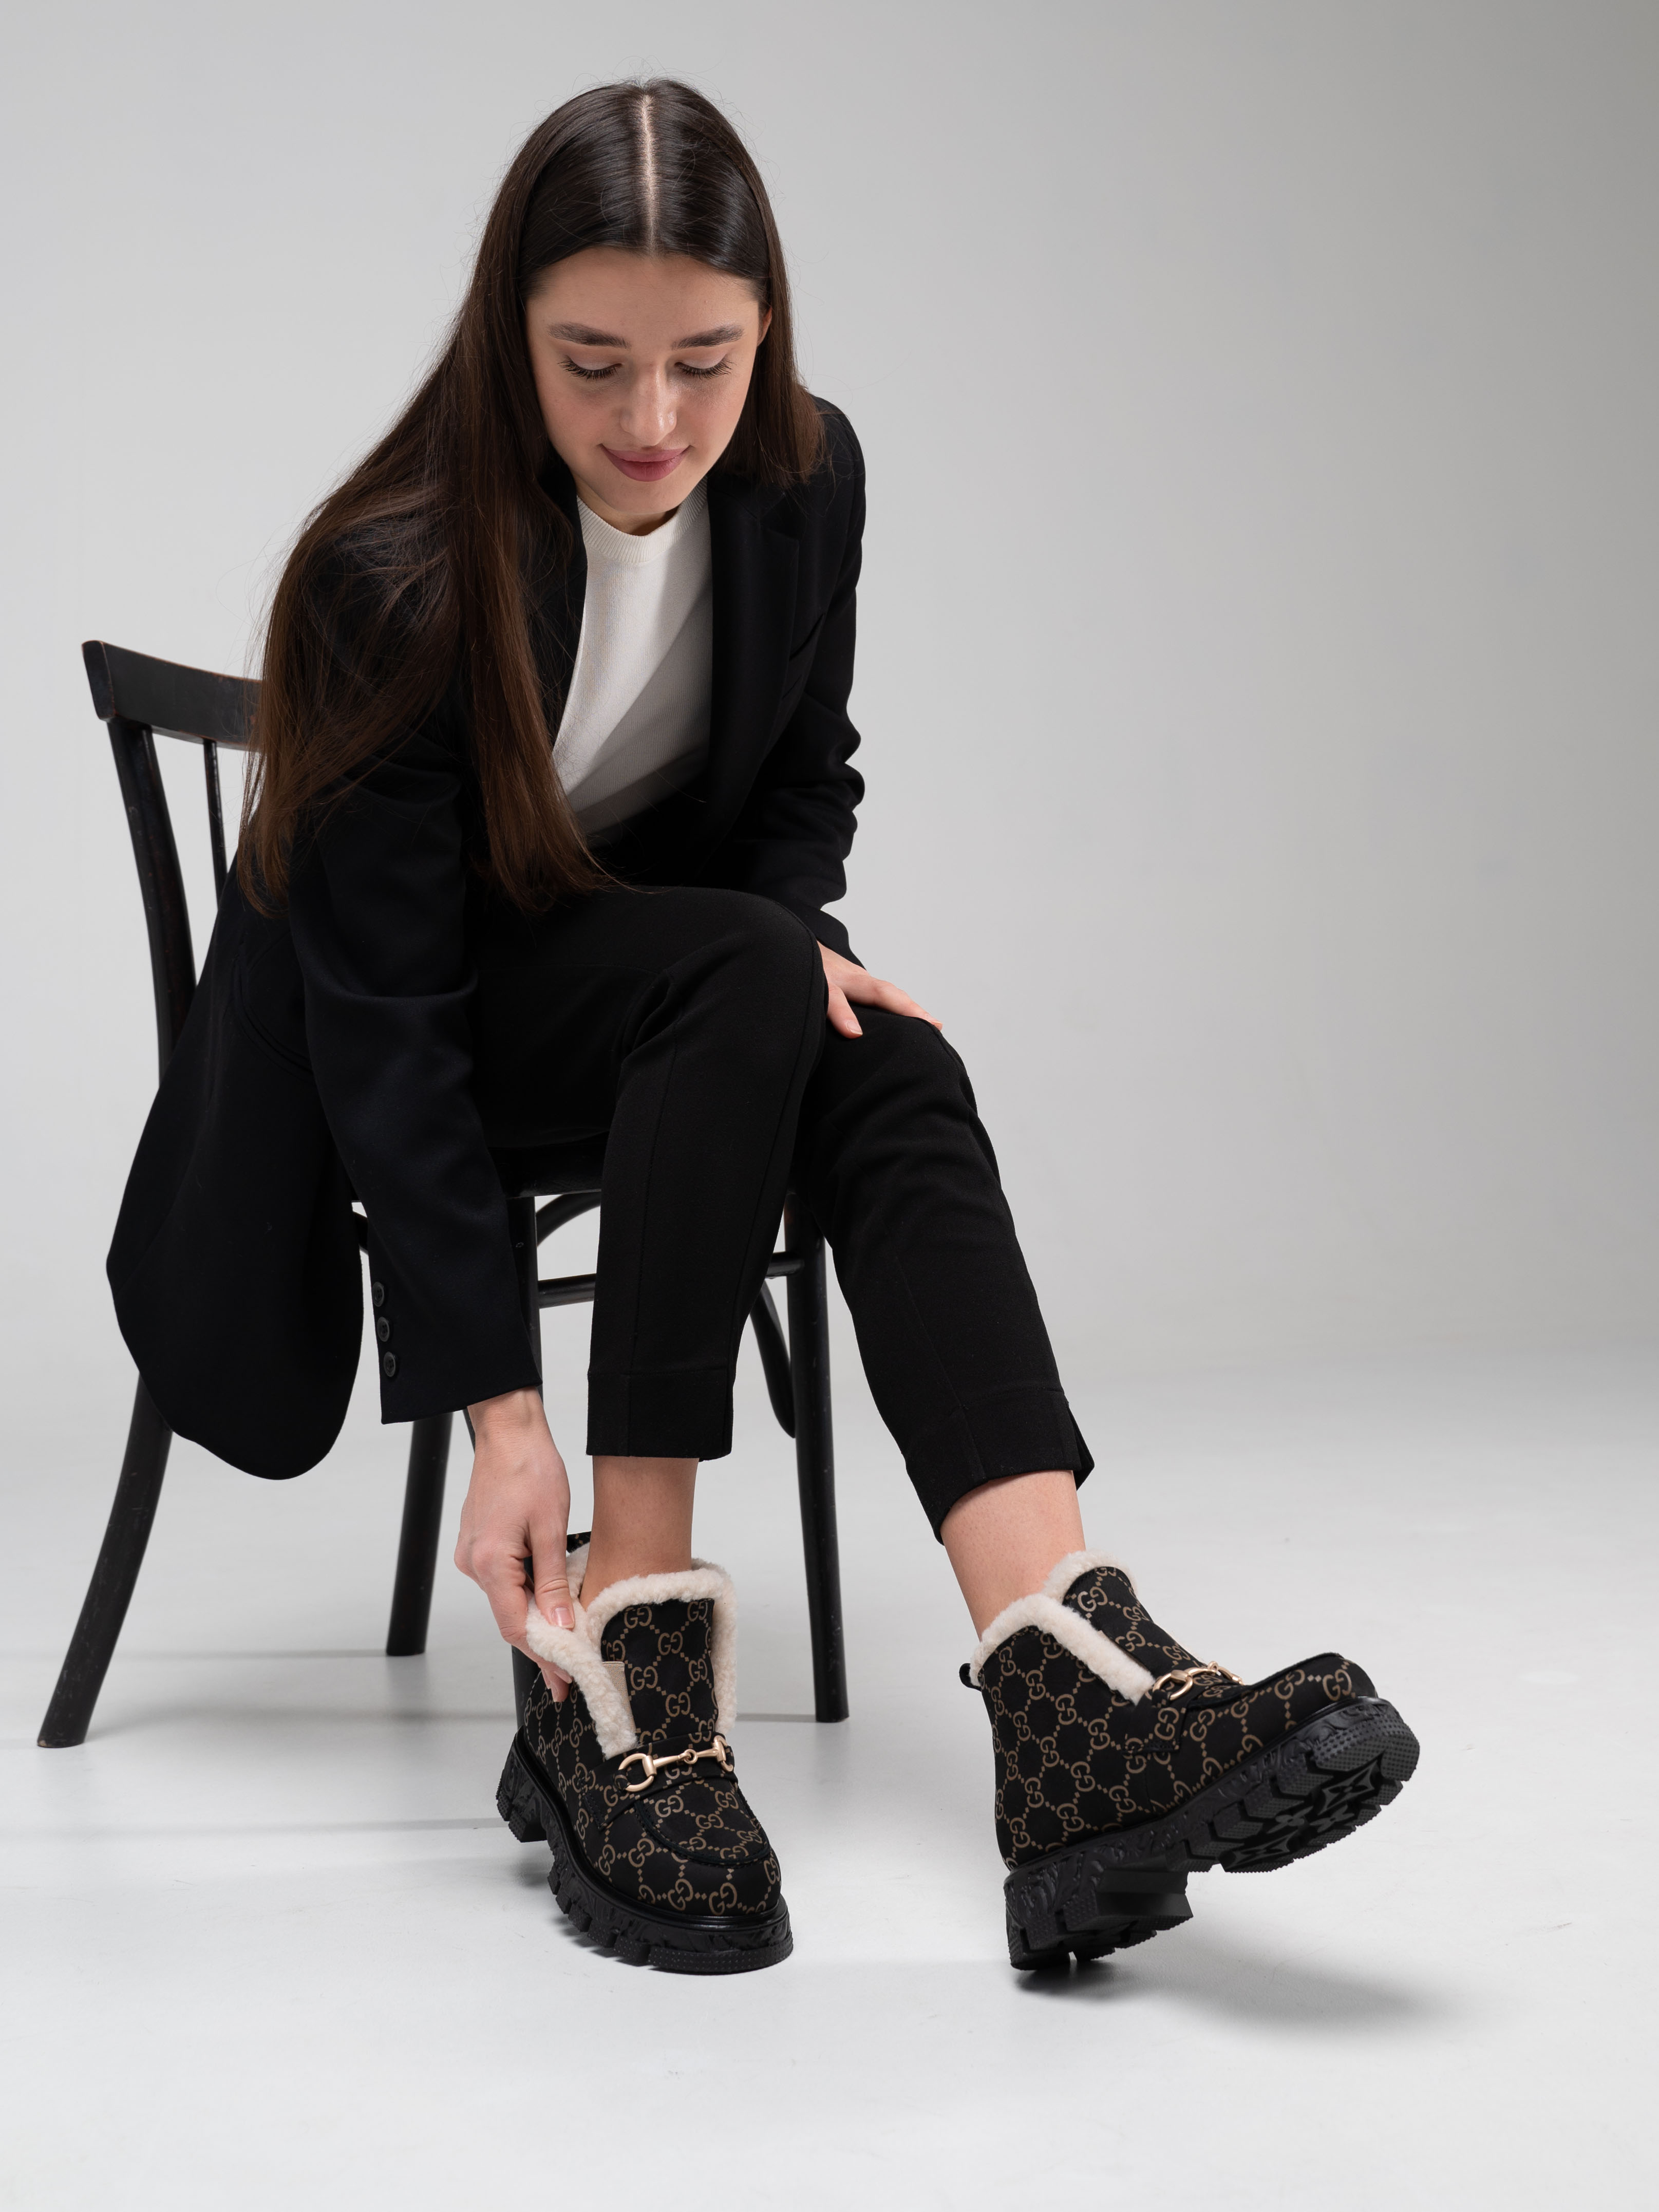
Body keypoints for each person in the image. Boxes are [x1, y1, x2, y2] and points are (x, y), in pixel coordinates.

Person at [109, 80, 1418, 1976]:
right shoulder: (391, 570)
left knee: (891, 1051)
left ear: (766, 332)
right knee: (745, 971)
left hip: (658, 1001)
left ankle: (1070, 1680)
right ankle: (625, 1654)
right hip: (398, 1042)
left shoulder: (807, 482)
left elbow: (805, 780)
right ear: (508, 338)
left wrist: (789, 939)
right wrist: (502, 1416)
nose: (654, 420)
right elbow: (383, 1023)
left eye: (704, 364)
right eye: (593, 363)